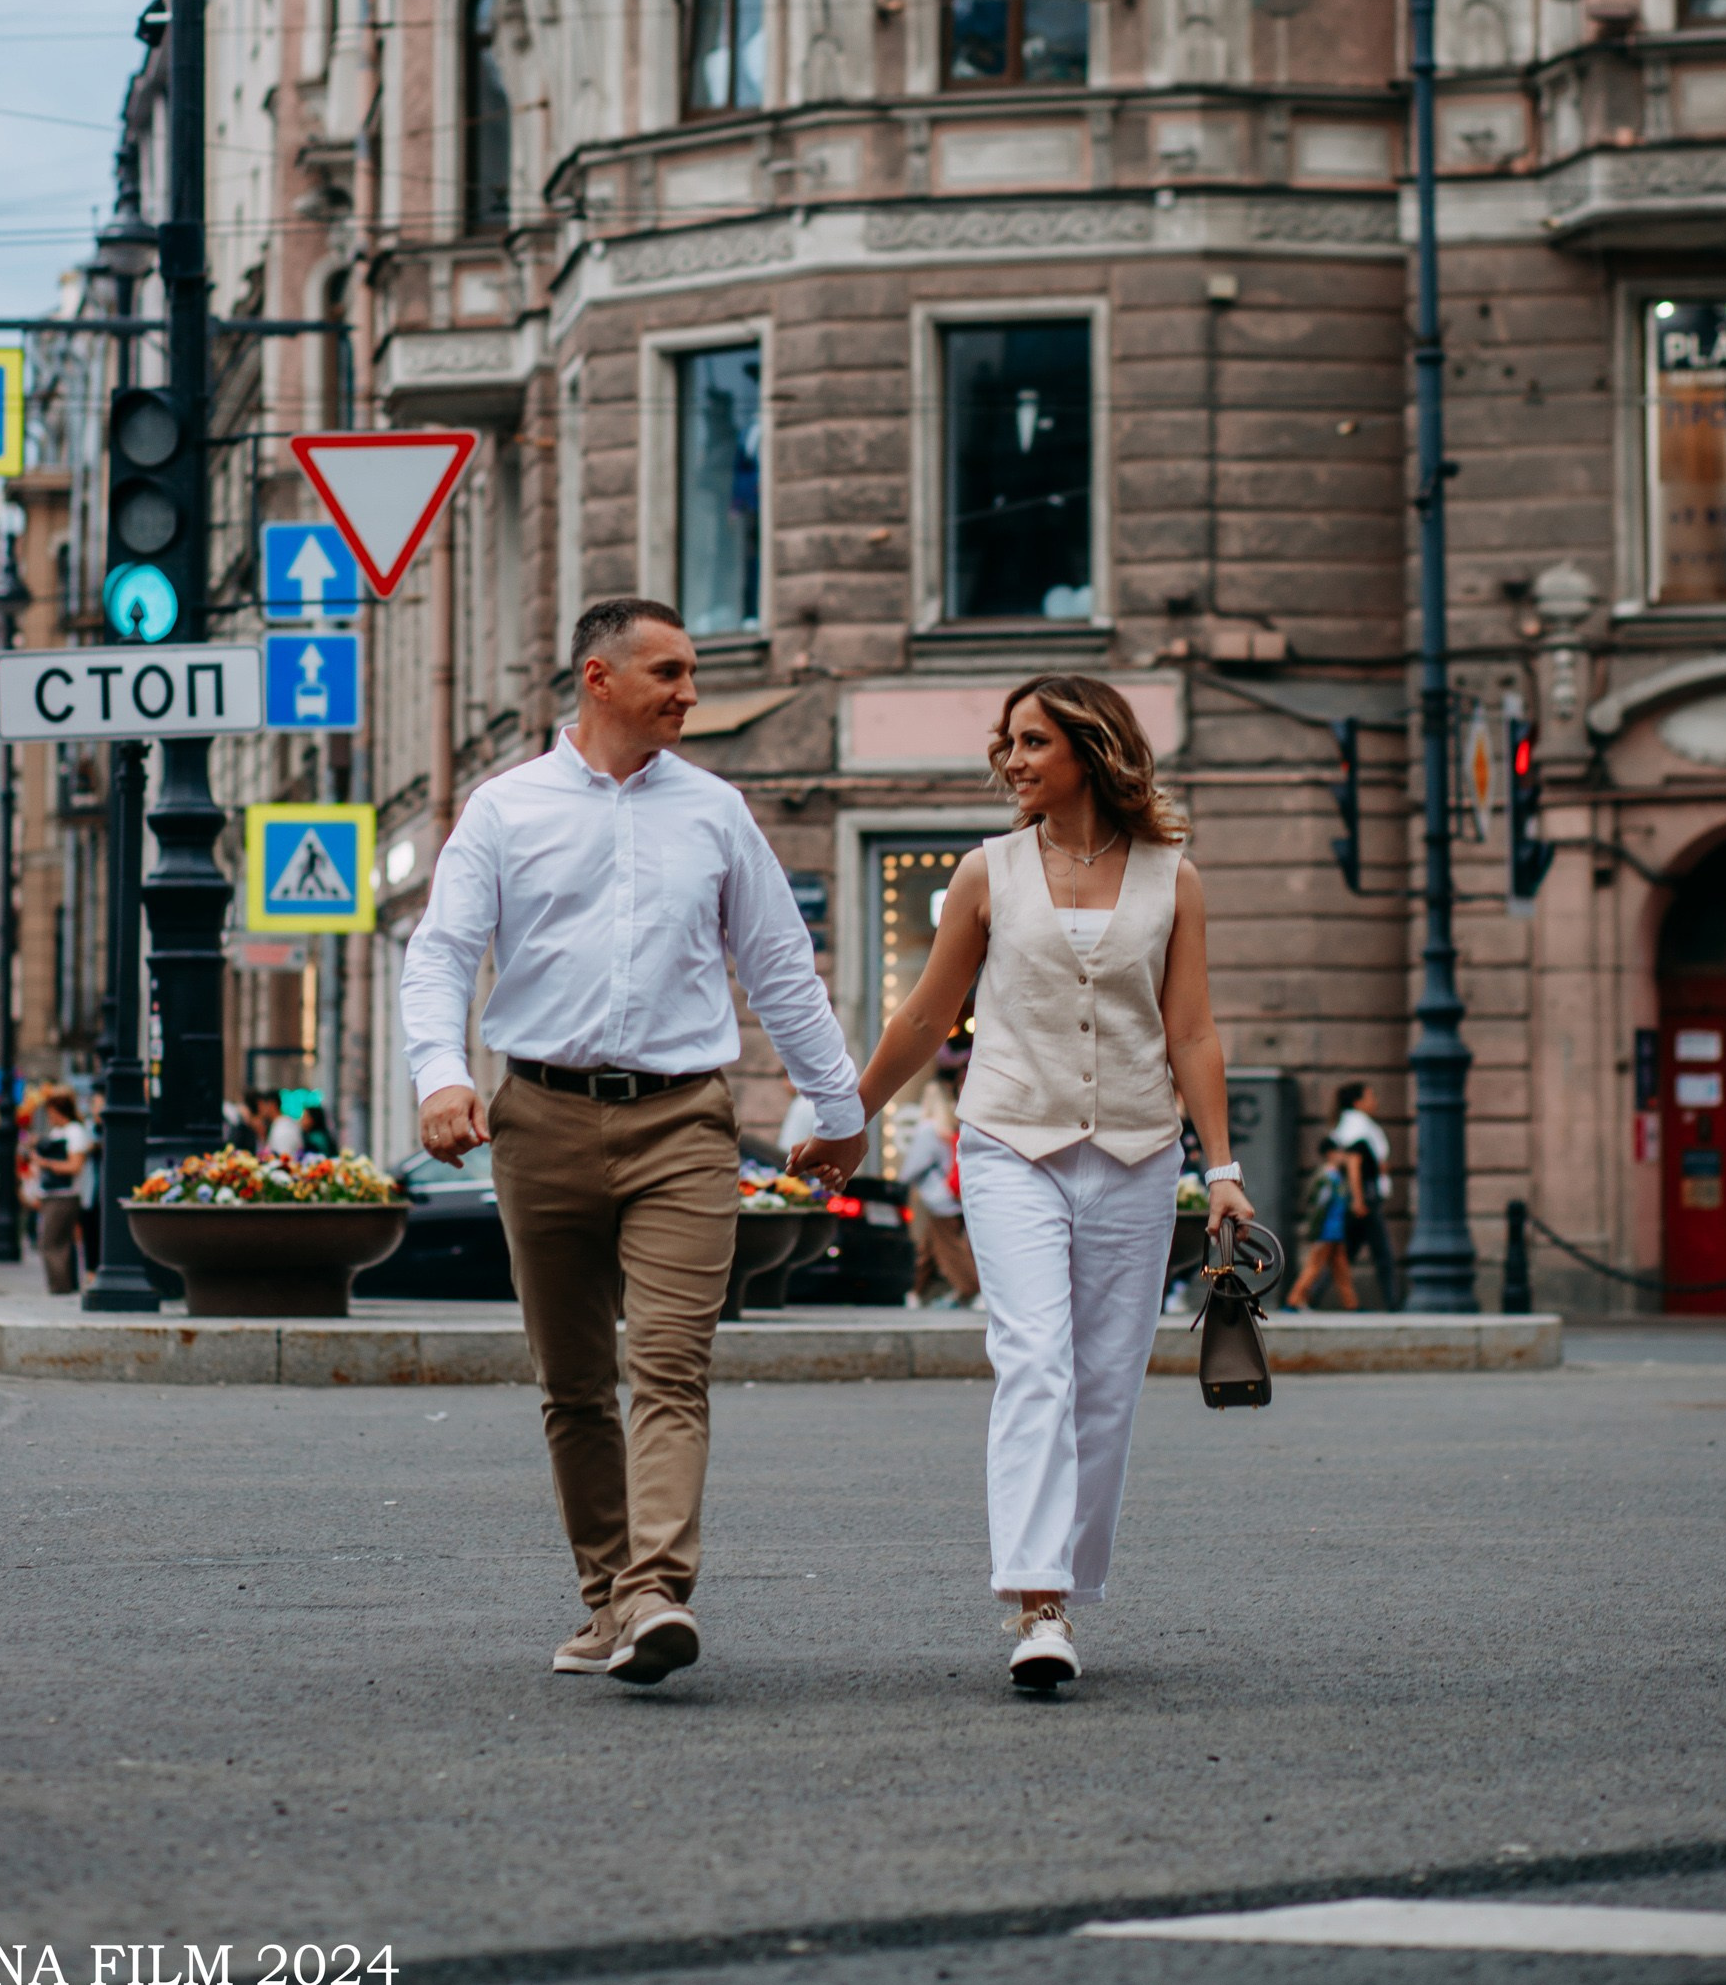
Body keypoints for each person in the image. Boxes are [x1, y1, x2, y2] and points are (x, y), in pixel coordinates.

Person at [402, 597, 867, 1688]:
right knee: (572, 1382)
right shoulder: (505, 810)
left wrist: (838, 1112)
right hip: (540, 1118)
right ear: (598, 680)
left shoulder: (714, 812)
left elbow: (780, 969)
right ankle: (606, 1596)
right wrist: (441, 1075)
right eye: (668, 671)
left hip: (681, 1121)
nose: (690, 692)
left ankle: (656, 1590)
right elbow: (440, 955)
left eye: (694, 671)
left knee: (668, 1366)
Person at [796, 675, 1254, 1693]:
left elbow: (1190, 1031)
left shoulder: (1171, 879)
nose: (1011, 760)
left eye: (1031, 742)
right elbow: (924, 1016)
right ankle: (1036, 1605)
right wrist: (850, 1117)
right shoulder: (984, 873)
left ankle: (1067, 1584)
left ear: (1088, 750)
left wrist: (1218, 1169)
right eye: (1006, 743)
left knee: (1105, 1384)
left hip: (1138, 1152)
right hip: (1009, 1145)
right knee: (1035, 1358)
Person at [899, 1076, 979, 1307]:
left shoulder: (927, 1130)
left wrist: (902, 1180)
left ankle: (971, 1289)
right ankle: (916, 1292)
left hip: (938, 1198)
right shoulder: (947, 1127)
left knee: (949, 1248)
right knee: (929, 1247)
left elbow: (914, 1164)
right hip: (952, 1195)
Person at [1332, 1079, 1396, 1308]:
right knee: (1382, 1254)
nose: (1375, 1101)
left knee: (1343, 1253)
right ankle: (1393, 1304)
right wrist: (1359, 1199)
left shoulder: (1355, 1125)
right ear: (1358, 1102)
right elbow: (1353, 1164)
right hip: (1365, 1197)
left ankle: (1305, 1296)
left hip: (1363, 1196)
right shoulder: (1357, 1127)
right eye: (1370, 1097)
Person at [1285, 1136, 1363, 1312]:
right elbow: (1319, 1206)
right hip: (1327, 1230)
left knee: (1341, 1269)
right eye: (1340, 1151)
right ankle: (1294, 1299)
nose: (1343, 1155)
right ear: (1330, 1154)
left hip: (1336, 1230)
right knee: (1314, 1266)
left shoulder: (1336, 1177)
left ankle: (1351, 1304)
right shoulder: (1327, 1178)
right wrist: (1316, 1230)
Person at [32, 1086, 92, 1295]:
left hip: (65, 1194)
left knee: (50, 1242)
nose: (49, 1117)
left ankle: (60, 1286)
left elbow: (75, 1166)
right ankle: (66, 1284)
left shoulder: (75, 1132)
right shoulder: (58, 1132)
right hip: (52, 1193)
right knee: (62, 1242)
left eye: (51, 1113)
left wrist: (45, 1163)